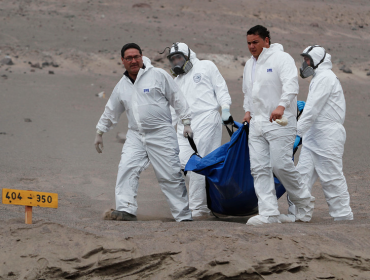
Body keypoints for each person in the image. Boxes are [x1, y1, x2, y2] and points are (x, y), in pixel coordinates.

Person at [94, 43, 194, 222]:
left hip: (161, 133)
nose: (134, 61)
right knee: (127, 168)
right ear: (123, 61)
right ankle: (126, 209)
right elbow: (111, 110)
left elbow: (177, 98)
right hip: (136, 135)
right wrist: (100, 132)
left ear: (142, 57)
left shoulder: (158, 75)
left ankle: (183, 216)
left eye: (136, 57)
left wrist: (186, 122)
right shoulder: (122, 85)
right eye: (129, 58)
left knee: (170, 174)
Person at [242, 25, 314, 226]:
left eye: (255, 42)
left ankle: (304, 202)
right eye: (248, 43)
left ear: (267, 40)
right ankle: (269, 213)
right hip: (257, 123)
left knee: (280, 165)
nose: (251, 46)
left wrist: (281, 106)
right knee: (259, 168)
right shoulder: (249, 64)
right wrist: (247, 111)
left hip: (280, 121)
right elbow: (248, 91)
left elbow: (291, 84)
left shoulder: (282, 58)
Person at [166, 42, 232, 218]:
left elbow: (221, 88)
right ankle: (202, 203)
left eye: (178, 57)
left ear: (187, 56)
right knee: (176, 164)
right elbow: (173, 109)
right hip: (184, 126)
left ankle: (198, 208)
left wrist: (225, 108)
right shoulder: (176, 81)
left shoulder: (206, 66)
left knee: (197, 166)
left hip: (207, 120)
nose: (176, 62)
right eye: (172, 59)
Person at [292, 45, 353, 221]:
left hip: (327, 136)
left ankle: (343, 215)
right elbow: (314, 109)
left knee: (331, 177)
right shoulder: (318, 78)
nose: (305, 64)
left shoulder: (325, 78)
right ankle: (300, 214)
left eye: (307, 60)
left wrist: (297, 133)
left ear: (317, 60)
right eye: (304, 60)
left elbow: (312, 111)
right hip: (313, 135)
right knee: (301, 176)